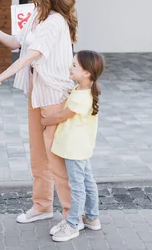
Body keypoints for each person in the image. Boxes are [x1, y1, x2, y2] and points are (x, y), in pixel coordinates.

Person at [0, 0, 77, 225]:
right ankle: (42, 206)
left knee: (57, 161)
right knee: (38, 157)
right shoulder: (37, 15)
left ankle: (71, 216)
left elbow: (30, 56)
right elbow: (15, 42)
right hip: (36, 95)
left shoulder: (55, 21)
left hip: (54, 98)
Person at [43, 50, 105, 242]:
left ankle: (72, 225)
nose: (70, 67)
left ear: (87, 72)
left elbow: (63, 116)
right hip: (81, 147)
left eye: (74, 66)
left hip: (74, 148)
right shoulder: (85, 89)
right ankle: (92, 218)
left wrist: (45, 121)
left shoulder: (81, 96)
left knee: (77, 186)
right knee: (87, 182)